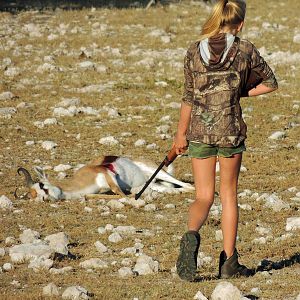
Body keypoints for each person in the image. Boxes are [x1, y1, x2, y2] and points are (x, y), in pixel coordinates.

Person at [174, 0, 278, 281]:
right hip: (230, 132)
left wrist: (180, 135)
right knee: (228, 195)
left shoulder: (193, 51)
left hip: (199, 131)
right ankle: (229, 263)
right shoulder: (245, 49)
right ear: (240, 23)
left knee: (203, 196)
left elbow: (188, 96)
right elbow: (270, 82)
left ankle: (191, 237)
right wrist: (238, 92)